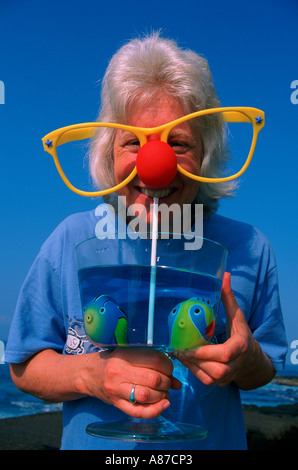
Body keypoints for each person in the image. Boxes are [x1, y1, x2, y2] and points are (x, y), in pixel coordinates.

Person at [5, 33, 287, 450]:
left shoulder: (249, 248)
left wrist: (246, 361)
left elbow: (267, 366)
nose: (156, 165)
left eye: (178, 144)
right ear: (107, 152)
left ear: (206, 154)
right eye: (133, 142)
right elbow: (24, 366)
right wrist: (92, 375)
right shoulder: (70, 240)